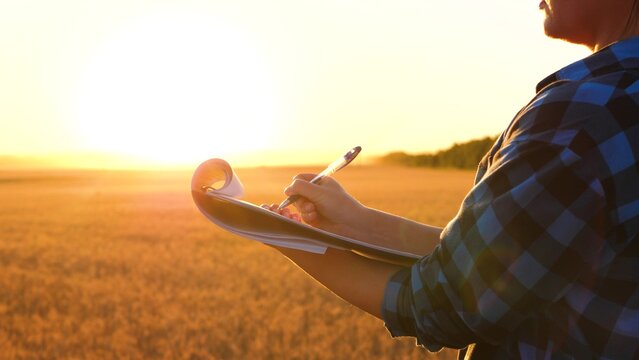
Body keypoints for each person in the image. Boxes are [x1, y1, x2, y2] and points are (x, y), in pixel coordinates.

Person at [263, 0, 639, 357]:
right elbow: (493, 263)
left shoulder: (585, 118)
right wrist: (354, 222)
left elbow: (452, 301)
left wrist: (283, 236)